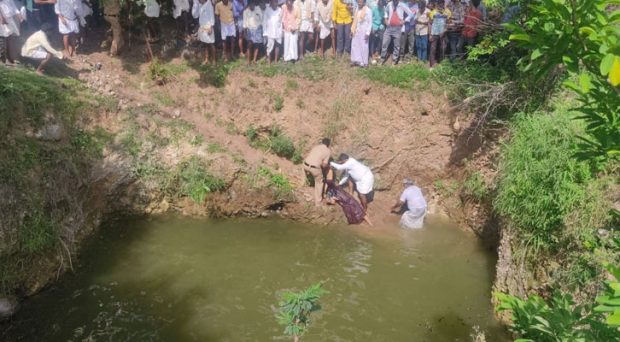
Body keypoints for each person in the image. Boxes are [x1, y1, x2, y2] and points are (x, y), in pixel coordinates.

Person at [380, 0, 413, 65]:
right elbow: (386, 12)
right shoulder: (389, 4)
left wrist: (404, 20)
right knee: (384, 44)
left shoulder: (402, 5)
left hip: (398, 28)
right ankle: (382, 59)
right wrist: (386, 19)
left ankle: (394, 60)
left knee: (397, 46)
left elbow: (411, 14)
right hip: (389, 27)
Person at [303, 138, 332, 206]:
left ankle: (304, 183)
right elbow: (324, 165)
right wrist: (328, 166)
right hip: (314, 169)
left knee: (310, 171)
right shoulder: (327, 151)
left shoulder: (315, 147)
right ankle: (318, 202)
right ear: (328, 144)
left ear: (322, 142)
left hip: (305, 165)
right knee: (319, 182)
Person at [193, 0, 216, 64]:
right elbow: (195, 15)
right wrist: (196, 4)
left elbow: (212, 16)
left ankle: (214, 60)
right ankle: (206, 59)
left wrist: (211, 27)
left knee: (211, 44)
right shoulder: (200, 5)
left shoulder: (209, 4)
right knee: (205, 44)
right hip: (202, 27)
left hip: (208, 27)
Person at [0, 0, 23, 64]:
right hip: (3, 20)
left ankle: (10, 57)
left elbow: (14, 7)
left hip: (10, 19)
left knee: (10, 38)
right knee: (3, 39)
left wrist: (19, 14)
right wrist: (1, 18)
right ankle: (3, 58)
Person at [428, 0, 450, 67]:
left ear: (444, 4)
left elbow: (448, 24)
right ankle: (431, 65)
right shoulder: (433, 12)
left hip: (443, 34)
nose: (440, 5)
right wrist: (430, 34)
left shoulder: (448, 12)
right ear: (437, 4)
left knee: (443, 49)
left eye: (442, 3)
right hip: (434, 33)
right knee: (433, 49)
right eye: (439, 3)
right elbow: (429, 23)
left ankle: (442, 64)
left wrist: (444, 31)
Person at [349, 0, 371, 67]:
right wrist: (352, 30)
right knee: (355, 45)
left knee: (364, 46)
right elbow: (355, 20)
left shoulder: (368, 10)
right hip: (356, 30)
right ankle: (355, 60)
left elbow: (370, 22)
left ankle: (364, 62)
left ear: (364, 2)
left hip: (364, 31)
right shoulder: (357, 9)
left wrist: (367, 33)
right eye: (358, 2)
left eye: (361, 2)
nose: (359, 3)